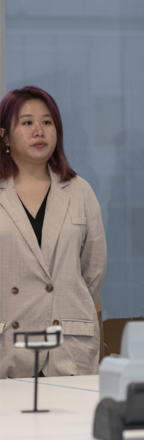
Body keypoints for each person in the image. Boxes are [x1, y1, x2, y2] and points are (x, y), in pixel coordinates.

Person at [0, 87, 106, 378]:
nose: (39, 131)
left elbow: (92, 271)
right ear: (5, 136)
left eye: (47, 122)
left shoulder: (79, 190)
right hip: (8, 343)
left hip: (68, 344)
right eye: (27, 122)